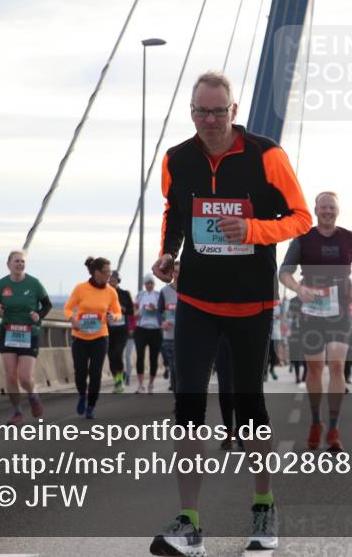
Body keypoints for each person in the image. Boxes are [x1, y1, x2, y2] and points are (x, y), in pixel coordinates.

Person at [150, 70, 310, 555]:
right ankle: (189, 523)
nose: (211, 119)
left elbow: (299, 216)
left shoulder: (267, 155)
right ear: (191, 112)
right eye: (202, 111)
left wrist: (253, 231)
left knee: (247, 412)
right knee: (188, 406)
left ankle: (263, 505)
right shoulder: (177, 159)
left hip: (251, 302)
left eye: (220, 110)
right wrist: (167, 254)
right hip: (196, 299)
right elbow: (174, 211)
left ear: (234, 111)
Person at [280, 191, 352, 452]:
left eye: (332, 207)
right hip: (312, 310)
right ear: (316, 210)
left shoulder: (350, 238)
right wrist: (298, 288)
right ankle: (316, 421)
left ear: (337, 210)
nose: (327, 211)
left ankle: (333, 427)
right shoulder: (303, 238)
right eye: (323, 207)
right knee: (316, 369)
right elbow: (284, 272)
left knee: (338, 367)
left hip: (340, 310)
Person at [0, 250, 53, 425]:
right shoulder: (1, 285)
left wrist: (39, 314)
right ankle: (17, 412)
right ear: (8, 265)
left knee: (24, 377)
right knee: (11, 376)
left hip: (30, 334)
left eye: (22, 261)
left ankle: (33, 395)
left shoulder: (34, 283)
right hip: (8, 333)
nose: (20, 264)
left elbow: (47, 305)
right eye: (16, 261)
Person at [64, 256, 121, 420]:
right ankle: (83, 394)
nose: (109, 276)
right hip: (80, 337)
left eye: (110, 272)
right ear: (96, 272)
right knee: (80, 372)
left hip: (100, 337)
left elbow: (117, 312)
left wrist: (113, 317)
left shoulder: (111, 291)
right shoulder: (81, 289)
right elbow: (68, 308)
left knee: (95, 373)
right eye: (106, 272)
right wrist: (72, 319)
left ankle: (91, 405)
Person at [132, 275, 163, 393]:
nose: (149, 285)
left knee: (153, 358)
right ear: (144, 285)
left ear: (154, 284)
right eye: (147, 283)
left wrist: (156, 309)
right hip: (141, 330)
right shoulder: (140, 295)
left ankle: (151, 384)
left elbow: (163, 313)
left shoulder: (158, 295)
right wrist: (137, 315)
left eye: (151, 283)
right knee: (140, 357)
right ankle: (140, 385)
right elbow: (134, 313)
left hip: (155, 330)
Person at [107, 271, 135, 393]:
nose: (112, 282)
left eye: (114, 280)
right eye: (110, 280)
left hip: (121, 329)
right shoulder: (104, 294)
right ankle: (118, 379)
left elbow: (131, 311)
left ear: (118, 281)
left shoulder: (124, 294)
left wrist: (124, 309)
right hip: (108, 329)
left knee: (117, 353)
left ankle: (120, 380)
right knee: (111, 356)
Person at [159, 261, 180, 392]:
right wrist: (162, 322)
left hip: (187, 337)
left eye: (180, 271)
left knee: (185, 370)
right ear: (172, 273)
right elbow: (158, 311)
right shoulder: (165, 291)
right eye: (176, 271)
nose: (178, 274)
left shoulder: (191, 291)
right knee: (174, 368)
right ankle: (178, 402)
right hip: (170, 336)